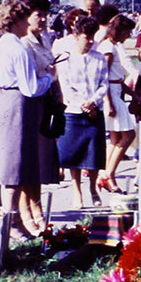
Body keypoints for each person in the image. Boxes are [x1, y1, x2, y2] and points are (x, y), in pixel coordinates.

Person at [0, 0, 54, 238]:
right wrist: (48, 77)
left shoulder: (0, 45)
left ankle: (12, 219)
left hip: (6, 102)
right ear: (17, 20)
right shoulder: (18, 48)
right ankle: (11, 221)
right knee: (15, 165)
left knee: (13, 163)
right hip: (19, 103)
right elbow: (30, 87)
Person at [56, 15, 108, 208]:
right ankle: (76, 190)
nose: (91, 40)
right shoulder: (66, 58)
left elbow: (104, 84)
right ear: (76, 35)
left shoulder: (99, 58)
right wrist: (82, 105)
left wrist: (93, 102)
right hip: (73, 111)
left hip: (95, 111)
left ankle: (93, 189)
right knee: (73, 154)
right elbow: (66, 87)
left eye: (93, 36)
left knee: (94, 153)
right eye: (87, 36)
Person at [21, 0, 61, 212]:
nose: (44, 20)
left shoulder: (44, 39)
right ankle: (29, 208)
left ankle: (35, 204)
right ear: (27, 16)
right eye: (39, 15)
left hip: (47, 99)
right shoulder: (24, 43)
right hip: (32, 102)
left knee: (42, 156)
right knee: (32, 157)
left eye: (46, 15)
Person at [96, 14, 138, 193]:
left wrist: (133, 94)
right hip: (111, 94)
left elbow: (117, 78)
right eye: (127, 31)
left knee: (115, 138)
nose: (128, 35)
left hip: (116, 91)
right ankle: (109, 175)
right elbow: (103, 75)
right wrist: (108, 102)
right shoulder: (107, 47)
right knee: (128, 135)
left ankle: (104, 174)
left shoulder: (113, 46)